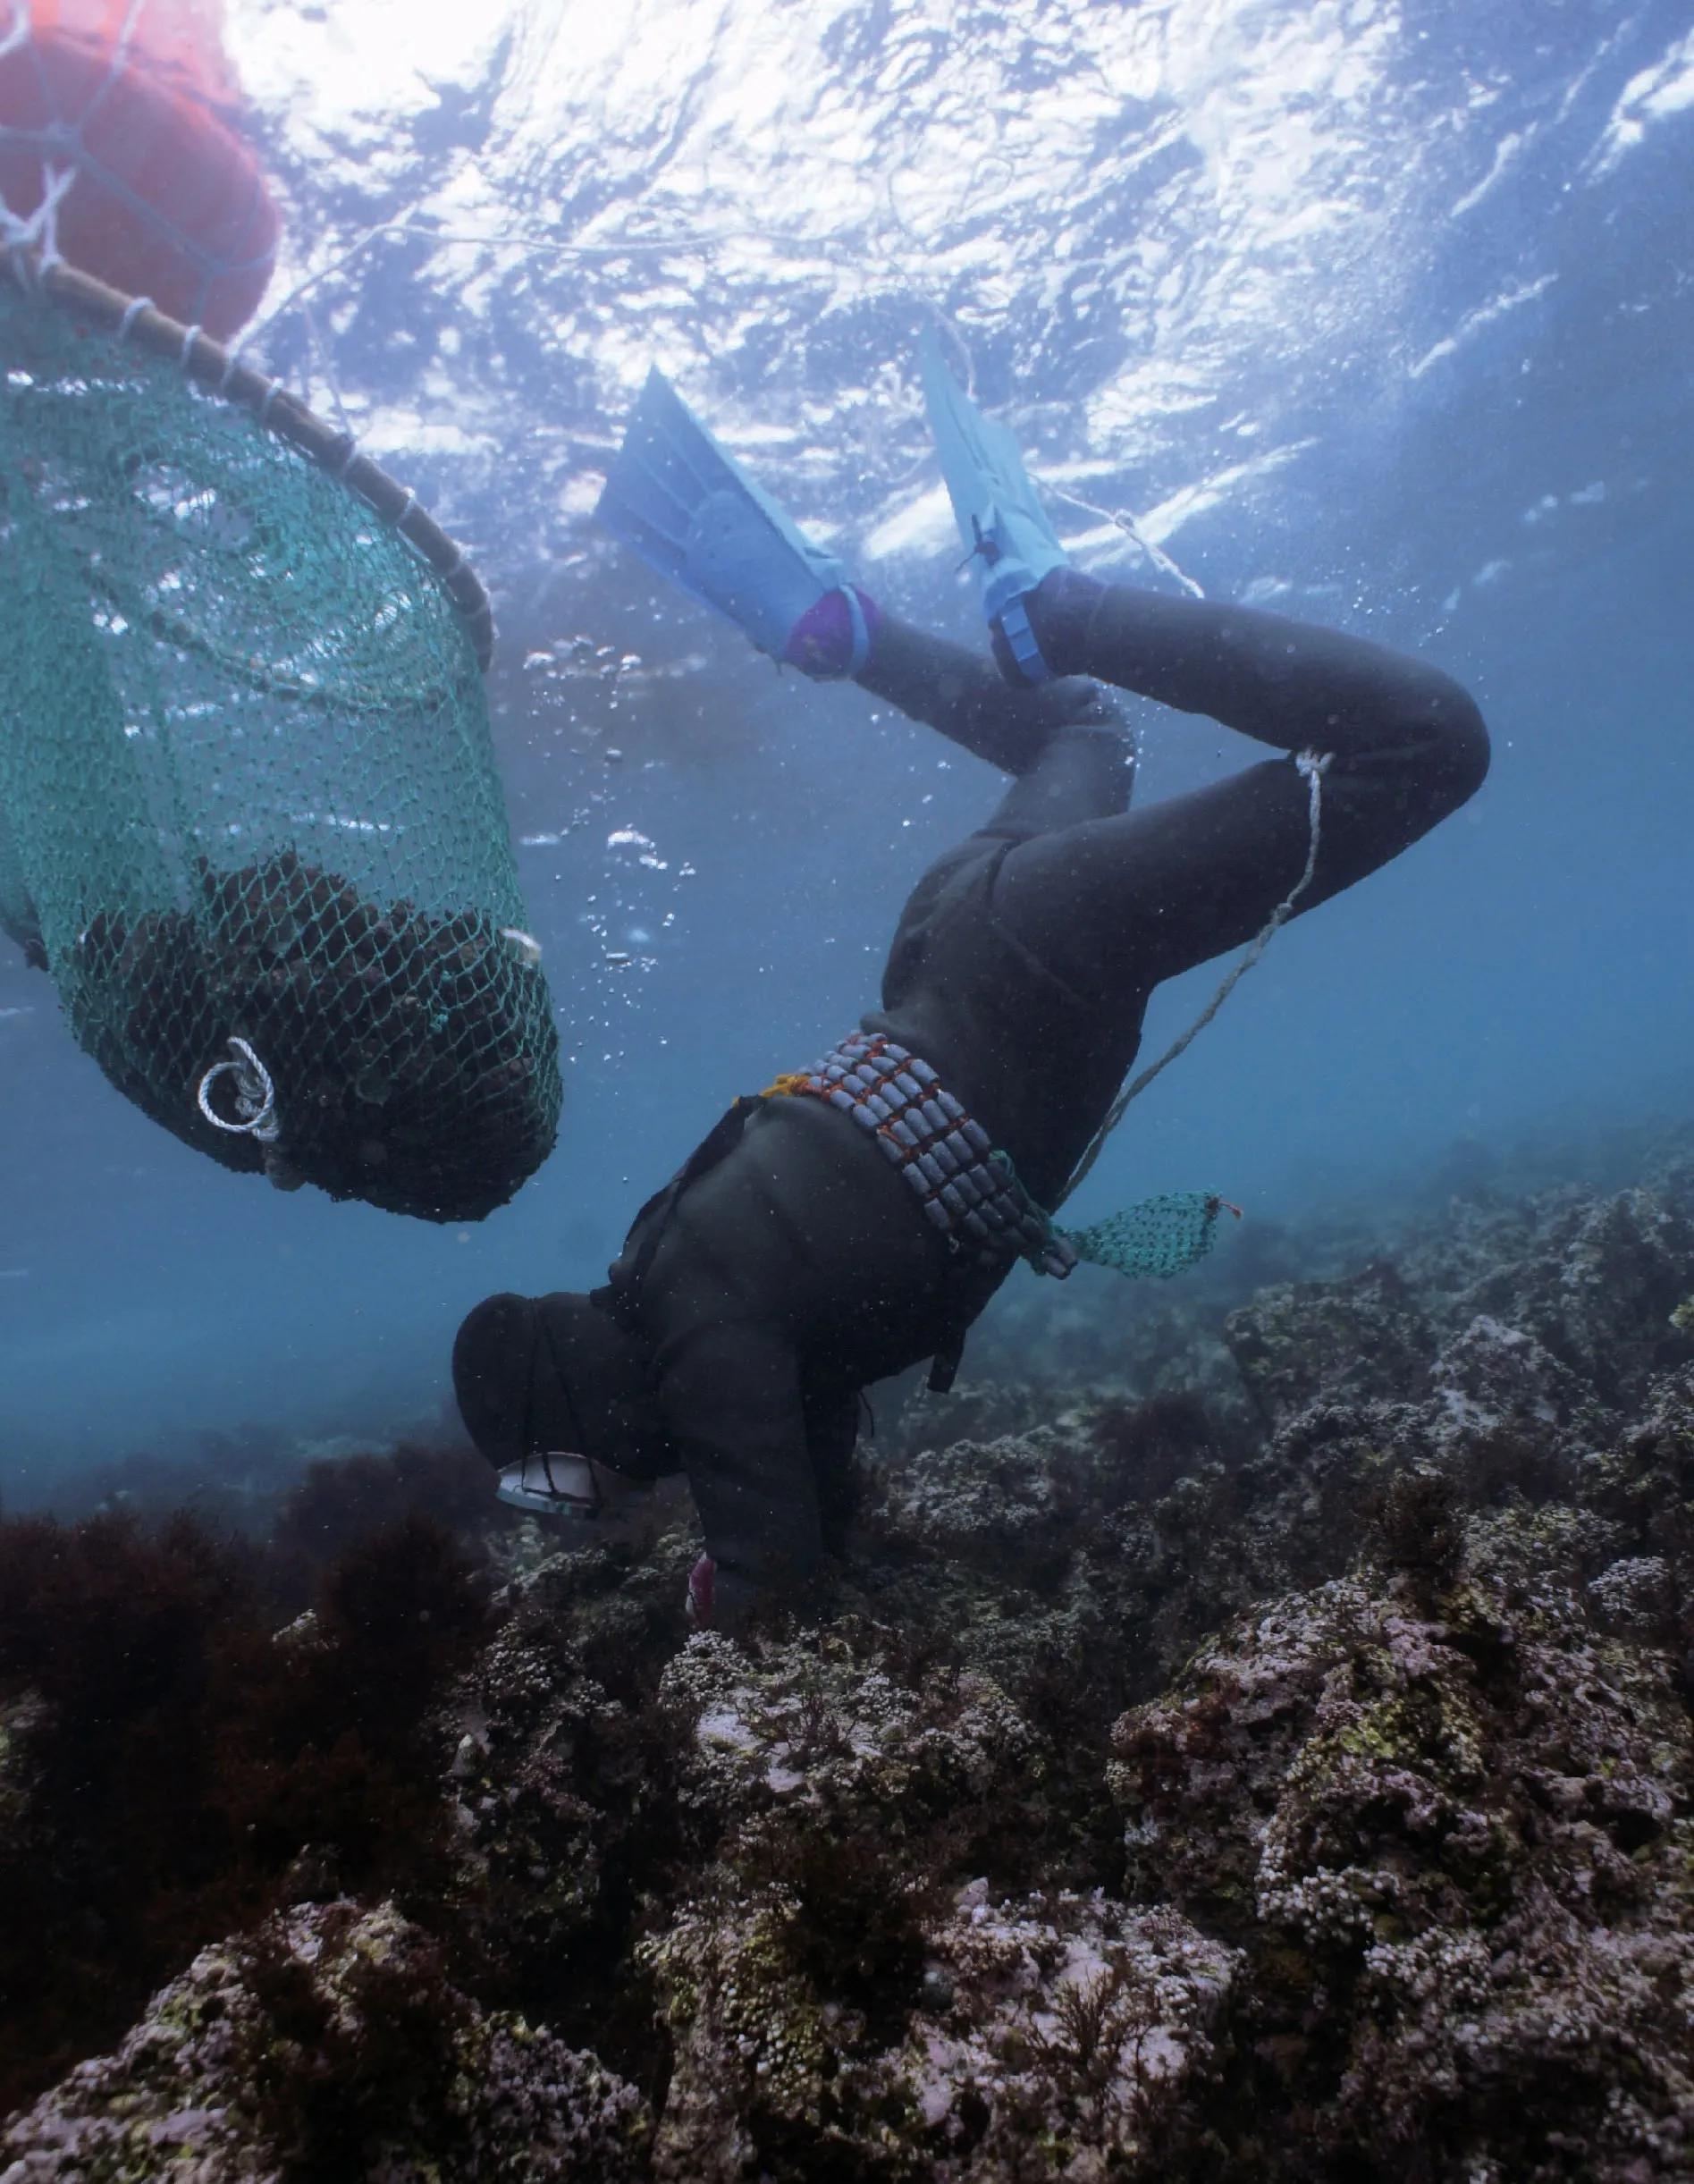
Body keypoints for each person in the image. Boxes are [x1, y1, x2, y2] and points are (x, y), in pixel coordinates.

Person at [452, 342, 1488, 1627]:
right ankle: (848, 630)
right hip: (954, 937)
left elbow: (775, 1588)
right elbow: (800, 1441)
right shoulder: (684, 1279)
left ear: (575, 1412)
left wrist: (726, 1608)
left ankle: (1063, 608)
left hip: (1038, 963)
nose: (589, 1510)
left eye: (556, 1490)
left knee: (1424, 743)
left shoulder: (697, 1337)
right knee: (1079, 730)